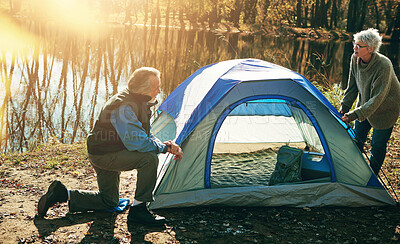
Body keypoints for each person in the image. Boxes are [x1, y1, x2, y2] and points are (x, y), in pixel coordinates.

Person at [37, 67, 183, 226]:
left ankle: (62, 194)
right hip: (104, 155)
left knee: (109, 202)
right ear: (143, 90)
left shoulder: (136, 101)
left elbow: (144, 134)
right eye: (156, 88)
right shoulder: (125, 106)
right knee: (148, 158)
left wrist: (165, 144)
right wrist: (164, 149)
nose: (159, 91)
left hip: (105, 151)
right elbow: (137, 142)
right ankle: (139, 210)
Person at [340, 28, 400, 175]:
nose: (355, 47)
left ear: (371, 49)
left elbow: (378, 98)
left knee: (377, 145)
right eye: (355, 44)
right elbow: (352, 87)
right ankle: (354, 173)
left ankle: (371, 178)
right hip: (365, 105)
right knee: (356, 141)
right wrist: (344, 107)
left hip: (386, 109)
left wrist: (354, 114)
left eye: (359, 46)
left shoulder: (384, 65)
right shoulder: (355, 58)